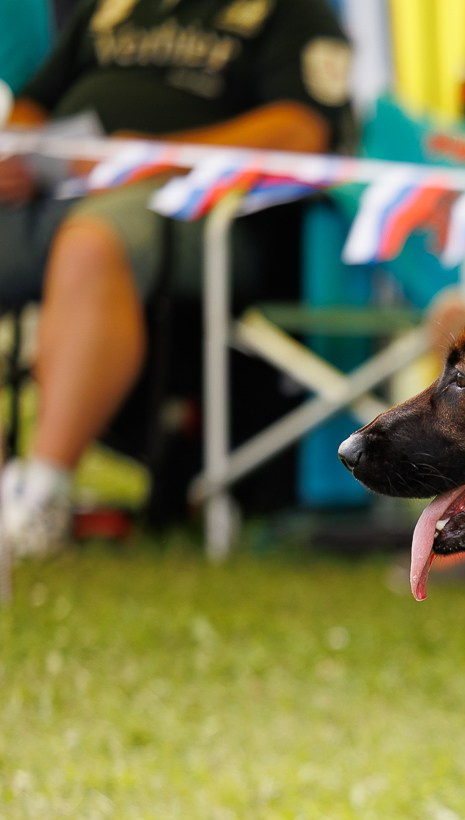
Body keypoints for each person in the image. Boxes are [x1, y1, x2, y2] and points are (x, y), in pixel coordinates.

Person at [0, 0, 354, 557]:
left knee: (94, 241)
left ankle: (40, 490)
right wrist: (20, 150)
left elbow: (302, 130)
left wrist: (155, 158)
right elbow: (33, 105)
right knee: (85, 231)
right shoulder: (113, 9)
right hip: (49, 191)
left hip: (189, 205)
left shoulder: (291, 12)